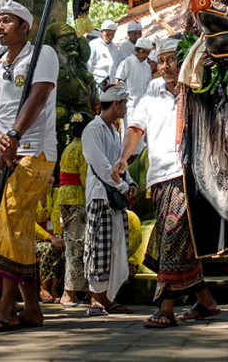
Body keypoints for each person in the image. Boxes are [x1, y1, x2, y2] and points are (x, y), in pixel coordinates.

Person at [0, 0, 59, 333]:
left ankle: (7, 308)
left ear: (25, 26)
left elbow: (39, 94)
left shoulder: (42, 55)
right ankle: (32, 308)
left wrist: (15, 134)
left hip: (34, 151)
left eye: (7, 20)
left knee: (9, 220)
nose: (0, 25)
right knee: (14, 224)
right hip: (5, 152)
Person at [117, 38, 220, 329]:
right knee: (174, 242)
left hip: (187, 174)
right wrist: (124, 159)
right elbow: (135, 130)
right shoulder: (150, 98)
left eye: (171, 59)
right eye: (160, 61)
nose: (165, 66)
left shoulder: (196, 92)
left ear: (183, 60)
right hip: (159, 178)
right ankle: (206, 301)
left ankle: (166, 306)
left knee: (173, 239)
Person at [82, 84, 137, 317]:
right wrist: (124, 187)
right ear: (115, 104)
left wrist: (131, 184)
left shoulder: (113, 131)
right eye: (123, 103)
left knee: (115, 247)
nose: (125, 108)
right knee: (98, 247)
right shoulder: (93, 129)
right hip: (100, 197)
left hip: (114, 197)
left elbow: (119, 164)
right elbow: (102, 167)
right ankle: (96, 299)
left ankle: (109, 298)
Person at [58, 112, 91, 308]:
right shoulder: (83, 148)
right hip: (78, 198)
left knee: (74, 246)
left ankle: (75, 292)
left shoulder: (68, 147)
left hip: (65, 198)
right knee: (78, 247)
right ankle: (69, 293)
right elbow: (85, 178)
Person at [87, 20, 120, 90]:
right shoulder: (93, 45)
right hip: (97, 85)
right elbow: (88, 67)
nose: (110, 37)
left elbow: (117, 67)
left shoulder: (114, 48)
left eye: (112, 34)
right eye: (107, 34)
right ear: (101, 32)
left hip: (112, 86)